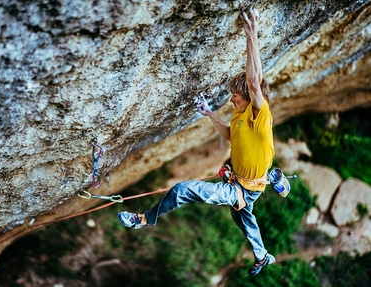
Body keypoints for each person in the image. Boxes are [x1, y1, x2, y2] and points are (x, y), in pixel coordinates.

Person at [117, 8, 275, 276]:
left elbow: (254, 81)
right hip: (244, 184)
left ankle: (143, 219)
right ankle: (262, 255)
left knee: (181, 191)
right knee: (243, 217)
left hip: (244, 188)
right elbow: (230, 135)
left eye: (236, 96)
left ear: (249, 98)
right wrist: (209, 114)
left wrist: (251, 32)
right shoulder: (239, 119)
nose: (232, 100)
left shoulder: (260, 117)